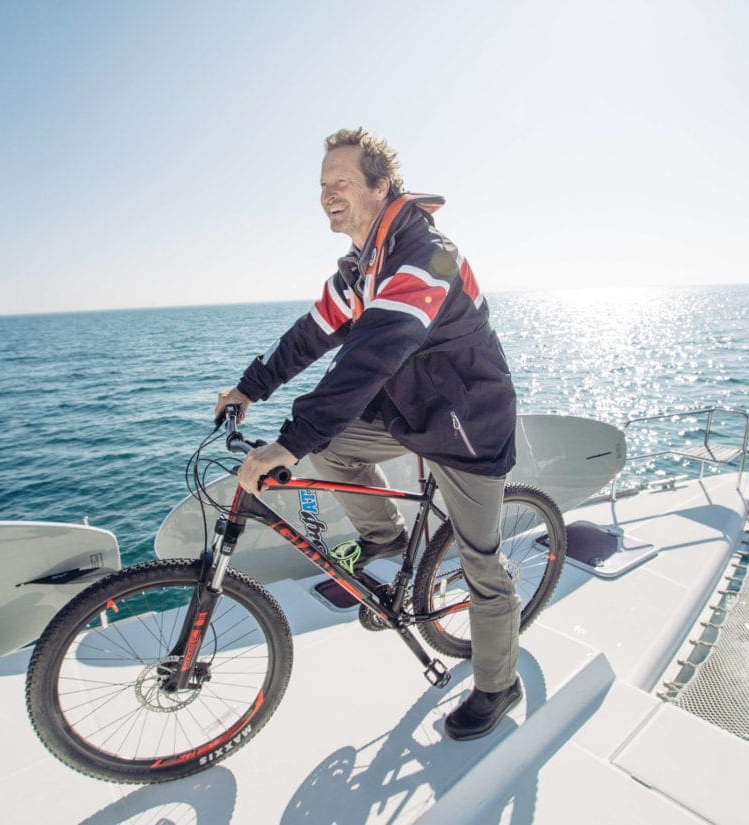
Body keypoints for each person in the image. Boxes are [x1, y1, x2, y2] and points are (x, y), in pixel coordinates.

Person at [214, 127, 520, 740]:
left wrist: (290, 439)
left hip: (466, 427)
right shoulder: (362, 266)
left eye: (343, 182)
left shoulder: (430, 256)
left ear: (381, 187)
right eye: (322, 184)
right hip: (408, 411)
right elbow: (310, 334)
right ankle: (384, 537)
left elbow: (375, 352)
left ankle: (499, 684)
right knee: (331, 447)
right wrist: (251, 387)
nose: (328, 194)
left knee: (482, 564)